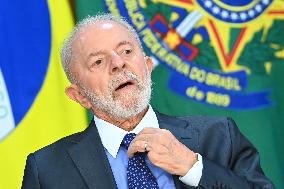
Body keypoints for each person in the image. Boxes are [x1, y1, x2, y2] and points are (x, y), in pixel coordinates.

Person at [22, 13, 275, 189]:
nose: (118, 63)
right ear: (78, 96)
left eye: (126, 51)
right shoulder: (47, 169)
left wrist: (192, 168)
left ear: (148, 65)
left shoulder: (220, 137)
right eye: (98, 61)